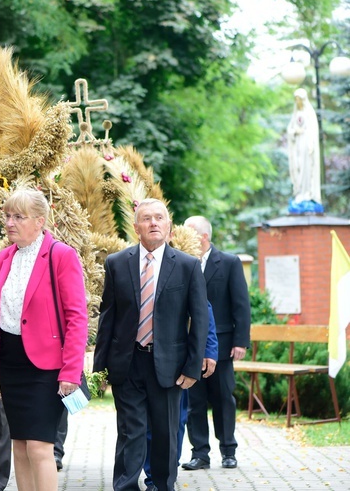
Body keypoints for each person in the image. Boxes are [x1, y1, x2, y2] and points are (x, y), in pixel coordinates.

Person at [93, 198, 208, 491]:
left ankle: (162, 485)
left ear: (168, 226)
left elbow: (200, 319)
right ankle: (126, 486)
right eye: (146, 219)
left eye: (159, 218)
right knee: (131, 431)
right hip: (127, 363)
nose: (153, 223)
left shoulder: (187, 266)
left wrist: (193, 366)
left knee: (165, 434)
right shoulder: (117, 263)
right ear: (136, 228)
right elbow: (108, 316)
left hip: (170, 366)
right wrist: (99, 370)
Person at [0, 188, 88, 491]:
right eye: (7, 216)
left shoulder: (61, 255)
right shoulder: (4, 257)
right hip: (12, 364)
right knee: (18, 445)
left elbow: (77, 318)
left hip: (47, 367)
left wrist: (70, 372)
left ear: (40, 221)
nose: (10, 222)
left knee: (40, 448)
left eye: (19, 216)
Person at [181, 216, 251, 472]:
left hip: (221, 345)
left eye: (189, 234)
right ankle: (200, 453)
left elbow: (241, 304)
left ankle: (228, 451)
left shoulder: (229, 263)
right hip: (190, 348)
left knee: (223, 399)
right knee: (194, 402)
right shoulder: (182, 263)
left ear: (203, 237)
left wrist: (240, 340)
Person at [143, 302, 218, 489]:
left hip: (174, 358)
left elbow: (202, 309)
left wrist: (208, 350)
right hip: (137, 356)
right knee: (143, 421)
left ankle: (164, 473)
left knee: (174, 420)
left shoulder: (185, 270)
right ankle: (152, 473)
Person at [287, 88, 322, 211]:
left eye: (299, 99)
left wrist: (310, 143)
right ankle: (300, 193)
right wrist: (295, 132)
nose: (298, 102)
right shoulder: (295, 114)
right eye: (296, 99)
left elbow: (313, 132)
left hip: (307, 147)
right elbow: (290, 129)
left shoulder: (309, 113)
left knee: (307, 169)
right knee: (298, 168)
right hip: (297, 147)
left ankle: (307, 193)